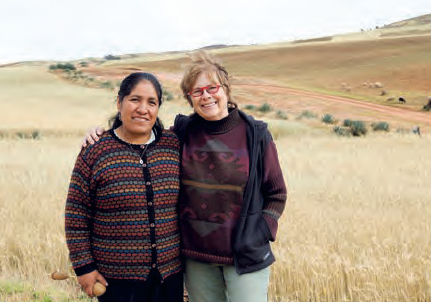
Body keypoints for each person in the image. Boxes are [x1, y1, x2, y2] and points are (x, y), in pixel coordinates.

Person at [83, 51, 287, 302]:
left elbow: (277, 193)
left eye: (212, 88)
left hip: (244, 255)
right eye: (197, 91)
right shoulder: (183, 132)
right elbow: (141, 132)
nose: (206, 96)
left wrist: (262, 231)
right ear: (190, 99)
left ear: (225, 89)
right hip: (196, 256)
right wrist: (105, 134)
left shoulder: (255, 135)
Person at [66, 72, 184, 302]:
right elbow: (76, 214)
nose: (143, 108)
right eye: (135, 99)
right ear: (119, 102)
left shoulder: (173, 145)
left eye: (152, 102)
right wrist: (84, 268)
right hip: (115, 282)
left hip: (170, 277)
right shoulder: (96, 150)